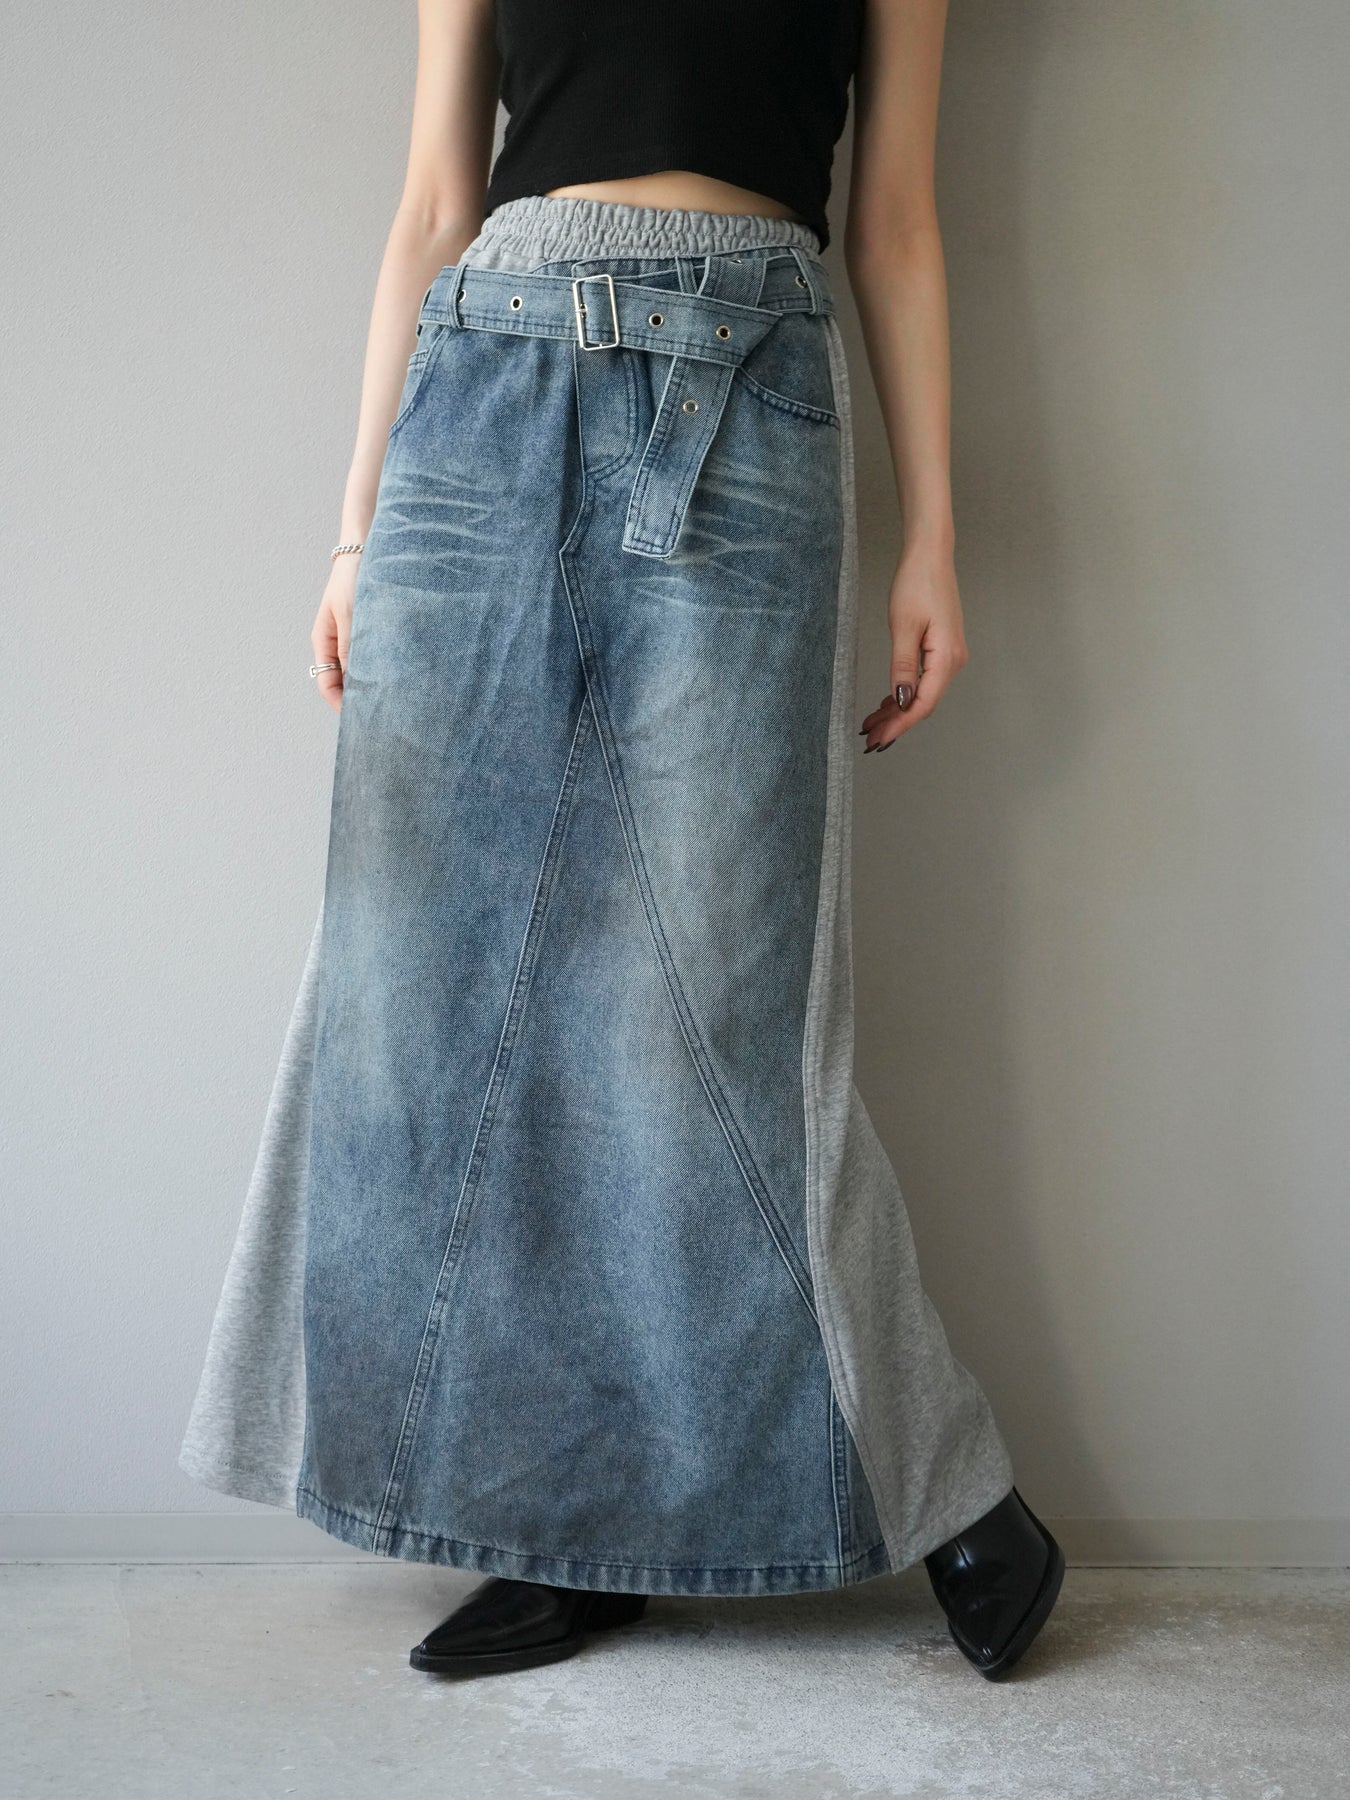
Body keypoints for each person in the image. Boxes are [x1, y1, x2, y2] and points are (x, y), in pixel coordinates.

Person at [180, 0, 1064, 1683]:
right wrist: (354, 532)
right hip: (480, 401)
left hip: (745, 388)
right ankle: (567, 1528)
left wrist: (934, 540)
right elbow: (432, 204)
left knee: (717, 1011)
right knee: (416, 989)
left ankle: (957, 1490)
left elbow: (892, 223)